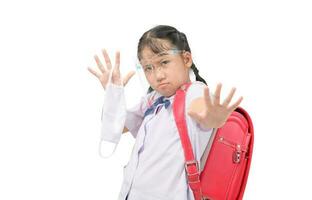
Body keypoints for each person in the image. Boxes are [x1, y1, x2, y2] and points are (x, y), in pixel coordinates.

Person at [88, 25, 243, 200]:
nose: (158, 75)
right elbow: (118, 125)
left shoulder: (194, 93)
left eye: (164, 62)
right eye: (148, 68)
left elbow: (202, 111)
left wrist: (214, 117)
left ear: (186, 59)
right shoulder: (153, 99)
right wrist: (113, 93)